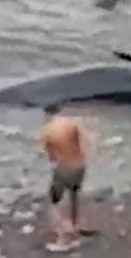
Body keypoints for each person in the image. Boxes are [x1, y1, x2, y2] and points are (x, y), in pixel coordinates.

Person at [36, 104, 93, 251]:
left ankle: (62, 237)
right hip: (79, 166)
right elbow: (85, 143)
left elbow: (51, 156)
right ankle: (75, 225)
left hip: (63, 167)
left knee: (56, 200)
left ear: (47, 114)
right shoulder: (73, 123)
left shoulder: (46, 131)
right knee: (74, 195)